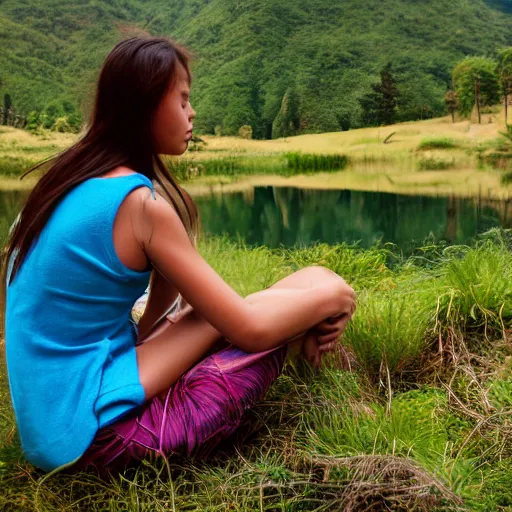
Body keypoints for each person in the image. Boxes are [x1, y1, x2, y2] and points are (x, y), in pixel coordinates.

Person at [2, 36, 356, 475]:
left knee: (256, 297)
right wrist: (339, 296)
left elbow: (155, 318)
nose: (192, 113)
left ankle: (318, 300)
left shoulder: (66, 179)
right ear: (146, 104)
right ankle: (323, 329)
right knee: (246, 315)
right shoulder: (139, 205)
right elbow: (248, 330)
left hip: (52, 420)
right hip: (91, 439)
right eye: (183, 99)